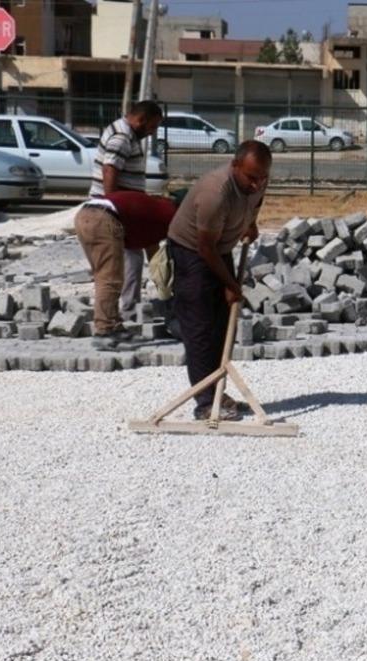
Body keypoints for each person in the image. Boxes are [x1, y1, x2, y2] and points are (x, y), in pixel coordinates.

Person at [166, 140, 270, 422]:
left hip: (218, 249)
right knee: (201, 325)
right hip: (192, 251)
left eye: (263, 177)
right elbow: (204, 249)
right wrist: (231, 285)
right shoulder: (216, 191)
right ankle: (204, 403)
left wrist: (250, 222)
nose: (257, 184)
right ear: (235, 166)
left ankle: (216, 389)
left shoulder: (257, 181)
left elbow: (255, 200)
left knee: (222, 324)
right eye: (251, 177)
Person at [74, 191, 178, 351]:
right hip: (104, 217)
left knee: (103, 275)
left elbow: (154, 255)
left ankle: (114, 326)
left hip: (84, 215)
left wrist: (164, 289)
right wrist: (168, 294)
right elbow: (158, 258)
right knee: (109, 278)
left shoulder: (157, 210)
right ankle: (105, 332)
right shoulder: (172, 216)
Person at [91, 100, 164, 318]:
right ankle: (127, 310)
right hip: (114, 211)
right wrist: (113, 206)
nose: (152, 133)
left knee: (131, 257)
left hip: (121, 209)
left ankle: (128, 307)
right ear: (141, 120)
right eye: (152, 127)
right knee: (130, 259)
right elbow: (109, 170)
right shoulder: (122, 137)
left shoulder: (122, 131)